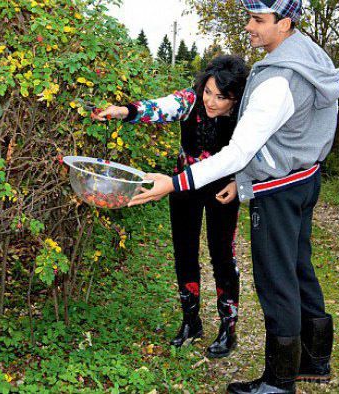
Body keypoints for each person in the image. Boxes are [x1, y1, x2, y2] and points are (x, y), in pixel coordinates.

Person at [126, 1, 339, 393]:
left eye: (259, 20)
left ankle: (278, 383)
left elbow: (238, 152)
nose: (248, 26)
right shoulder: (309, 54)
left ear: (285, 23)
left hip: (279, 187)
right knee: (298, 267)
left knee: (276, 280)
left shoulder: (278, 79)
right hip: (305, 175)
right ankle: (316, 360)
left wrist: (174, 183)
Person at [92, 55, 249, 358]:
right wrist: (124, 111)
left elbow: (253, 150)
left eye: (221, 97)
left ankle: (228, 329)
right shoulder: (191, 100)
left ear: (236, 98)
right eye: (208, 92)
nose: (211, 102)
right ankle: (191, 322)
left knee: (222, 257)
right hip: (183, 184)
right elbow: (160, 107)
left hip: (223, 189)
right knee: (184, 253)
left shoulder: (245, 114)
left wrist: (240, 182)